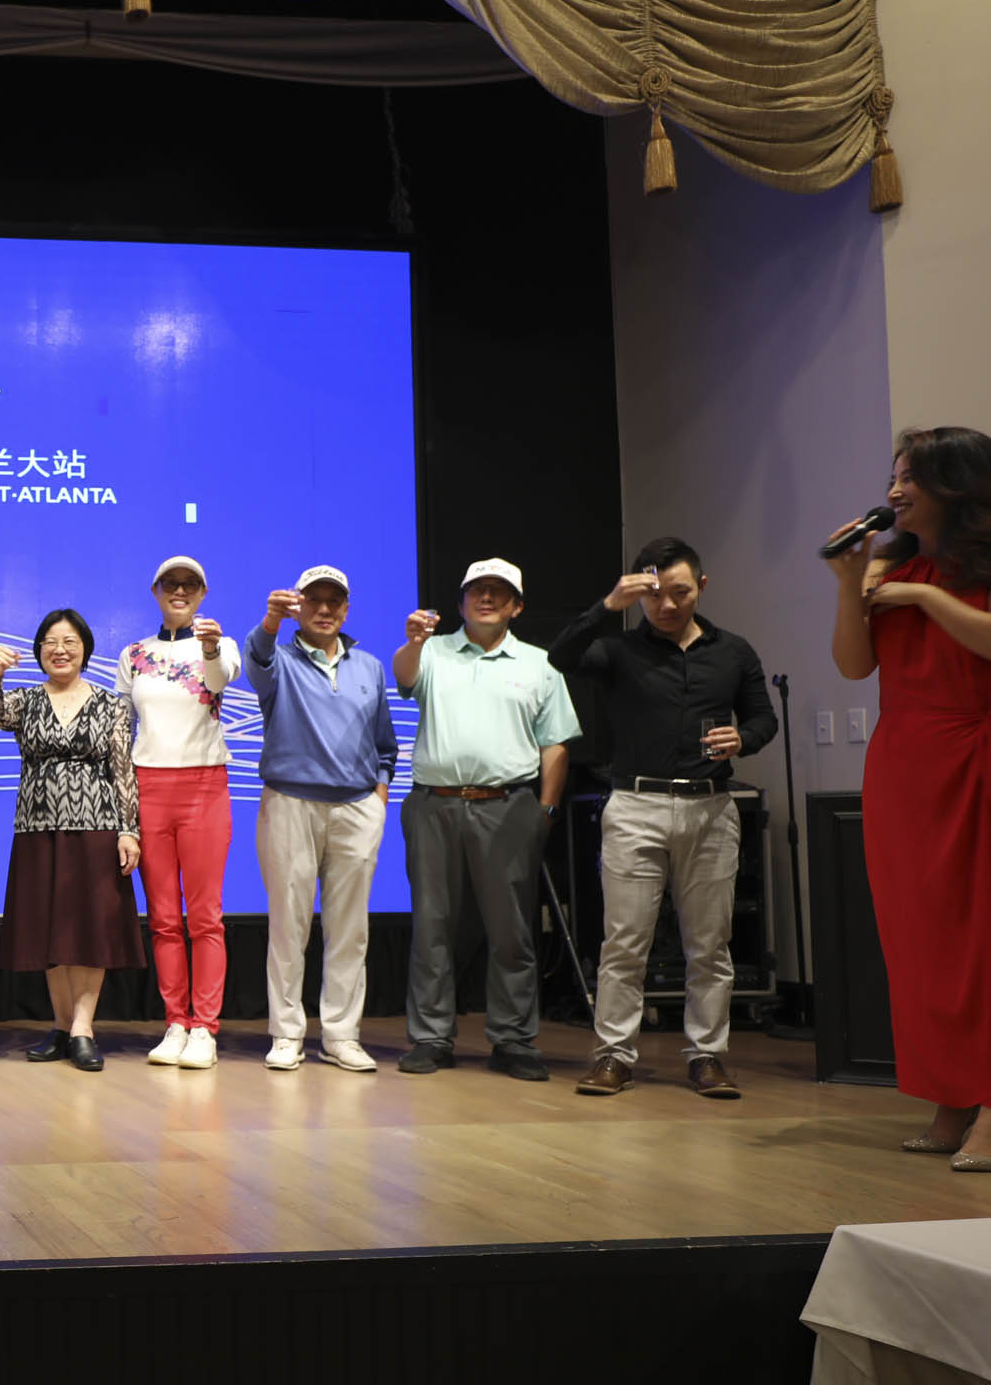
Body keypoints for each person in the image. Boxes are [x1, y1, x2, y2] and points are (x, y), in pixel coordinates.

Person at [551, 537, 776, 1099]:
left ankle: (707, 1055)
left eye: (680, 593)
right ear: (638, 593)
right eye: (654, 596)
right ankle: (613, 1054)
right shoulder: (618, 650)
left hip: (711, 807)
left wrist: (743, 739)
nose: (667, 606)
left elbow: (763, 718)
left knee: (710, 943)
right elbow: (561, 657)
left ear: (701, 586)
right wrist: (609, 606)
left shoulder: (734, 651)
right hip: (635, 806)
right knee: (624, 941)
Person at [827, 427, 991, 1171]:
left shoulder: (963, 569)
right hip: (903, 763)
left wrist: (922, 595)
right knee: (920, 941)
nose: (894, 491)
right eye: (893, 476)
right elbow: (853, 666)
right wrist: (849, 584)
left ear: (956, 485)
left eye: (910, 477)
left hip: (974, 752)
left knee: (978, 940)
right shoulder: (887, 564)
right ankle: (952, 1095)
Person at [393, 558, 581, 1081]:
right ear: (460, 602)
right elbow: (404, 678)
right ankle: (431, 1037)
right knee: (432, 925)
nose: (487, 598)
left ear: (517, 606)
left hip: (508, 805)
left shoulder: (539, 665)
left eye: (500, 591)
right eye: (477, 590)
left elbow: (555, 743)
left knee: (511, 929)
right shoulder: (432, 651)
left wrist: (545, 809)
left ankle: (513, 1038)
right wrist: (413, 641)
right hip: (434, 805)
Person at [245, 566, 396, 1073]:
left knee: (350, 929)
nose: (325, 609)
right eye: (314, 600)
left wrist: (377, 796)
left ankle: (341, 1034)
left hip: (357, 807)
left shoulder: (369, 666)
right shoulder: (279, 659)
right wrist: (270, 621)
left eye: (335, 601)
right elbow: (256, 662)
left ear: (347, 609)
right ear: (299, 607)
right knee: (289, 925)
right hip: (290, 802)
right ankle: (287, 1033)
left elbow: (385, 743)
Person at [0, 609, 144, 1072]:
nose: (60, 650)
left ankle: (83, 1028)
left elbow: (123, 769)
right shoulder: (26, 700)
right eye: (51, 642)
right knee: (48, 930)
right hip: (37, 827)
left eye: (70, 641)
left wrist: (129, 829)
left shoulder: (111, 704)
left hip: (96, 826)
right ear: (39, 651)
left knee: (90, 929)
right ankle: (59, 1026)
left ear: (85, 649)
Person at [121, 555, 240, 1068]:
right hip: (148, 786)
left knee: (205, 916)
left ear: (203, 593)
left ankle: (205, 1028)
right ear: (155, 591)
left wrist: (210, 648)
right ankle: (175, 1022)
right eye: (170, 583)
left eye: (190, 584)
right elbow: (123, 729)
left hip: (204, 786)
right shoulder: (133, 654)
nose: (180, 590)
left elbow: (217, 681)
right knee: (164, 918)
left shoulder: (220, 644)